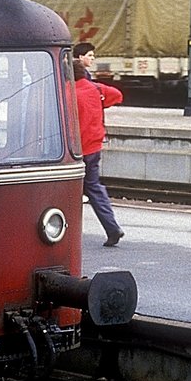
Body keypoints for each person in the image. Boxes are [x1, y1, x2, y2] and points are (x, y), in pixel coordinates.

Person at [73, 42, 125, 247]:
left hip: (75, 151)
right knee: (94, 187)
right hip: (94, 147)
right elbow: (118, 96)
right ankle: (112, 228)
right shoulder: (96, 88)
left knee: (64, 190)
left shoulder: (67, 93)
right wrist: (101, 102)